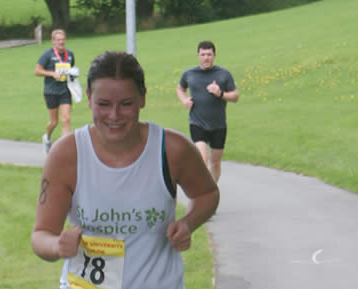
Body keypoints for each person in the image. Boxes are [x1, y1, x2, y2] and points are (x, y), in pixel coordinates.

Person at [31, 51, 220, 289]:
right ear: (89, 98)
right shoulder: (67, 154)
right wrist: (58, 245)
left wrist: (187, 224)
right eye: (104, 104)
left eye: (126, 104)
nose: (114, 115)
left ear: (142, 98)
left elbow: (207, 194)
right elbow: (41, 235)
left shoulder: (172, 149)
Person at [176, 40, 239, 182]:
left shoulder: (224, 74)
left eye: (209, 54)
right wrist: (184, 100)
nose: (206, 57)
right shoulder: (189, 74)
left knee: (215, 163)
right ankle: (203, 192)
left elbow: (235, 96)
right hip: (197, 123)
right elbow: (180, 88)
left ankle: (212, 190)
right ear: (198, 55)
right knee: (202, 158)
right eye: (203, 54)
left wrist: (220, 94)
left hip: (219, 125)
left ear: (214, 55)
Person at [34, 29, 75, 154]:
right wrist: (52, 74)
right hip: (51, 91)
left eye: (63, 39)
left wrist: (73, 75)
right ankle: (47, 138)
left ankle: (64, 149)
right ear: (53, 41)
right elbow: (37, 71)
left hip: (65, 90)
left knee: (66, 119)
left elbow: (70, 69)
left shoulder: (70, 55)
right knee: (54, 122)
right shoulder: (47, 55)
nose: (61, 42)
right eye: (58, 40)